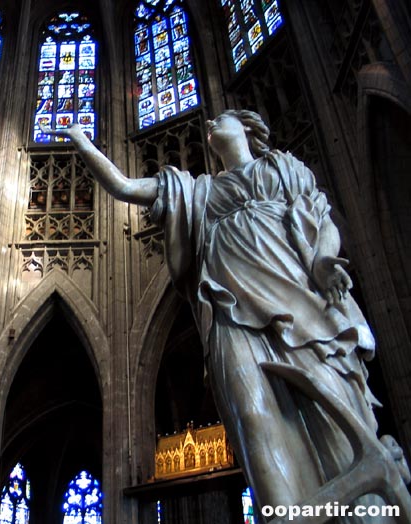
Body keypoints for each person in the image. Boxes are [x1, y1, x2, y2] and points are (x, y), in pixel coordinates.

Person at [42, 111, 399, 521]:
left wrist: (321, 262)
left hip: (299, 305)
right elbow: (123, 186)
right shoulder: (198, 192)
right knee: (253, 421)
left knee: (332, 418)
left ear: (248, 127)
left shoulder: (283, 169)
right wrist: (83, 143)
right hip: (229, 313)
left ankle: (365, 502)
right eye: (209, 124)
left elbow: (321, 221)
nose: (210, 125)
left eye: (221, 119)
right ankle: (307, 503)